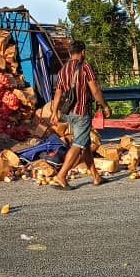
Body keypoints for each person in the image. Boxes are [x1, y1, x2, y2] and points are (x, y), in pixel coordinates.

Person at [49, 40, 112, 190]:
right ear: (83, 52)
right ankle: (61, 175)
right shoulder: (85, 67)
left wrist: (54, 112)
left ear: (70, 53)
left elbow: (58, 93)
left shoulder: (63, 70)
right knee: (78, 144)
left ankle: (96, 177)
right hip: (82, 112)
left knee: (85, 144)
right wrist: (105, 106)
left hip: (69, 113)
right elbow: (95, 90)